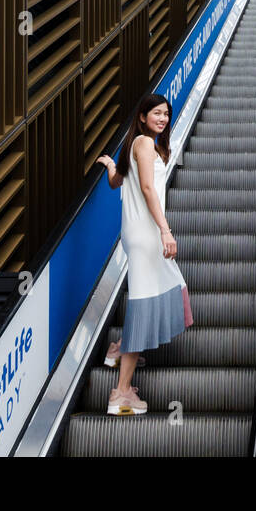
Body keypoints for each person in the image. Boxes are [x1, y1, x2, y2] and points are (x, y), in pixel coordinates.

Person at [96, 93, 193, 415]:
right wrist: (165, 229)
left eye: (166, 114)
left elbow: (117, 182)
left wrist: (111, 164)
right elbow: (149, 189)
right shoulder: (145, 145)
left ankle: (121, 348)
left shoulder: (136, 145)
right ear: (142, 116)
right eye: (156, 113)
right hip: (147, 234)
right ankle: (121, 392)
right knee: (144, 301)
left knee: (157, 290)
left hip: (137, 233)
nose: (163, 118)